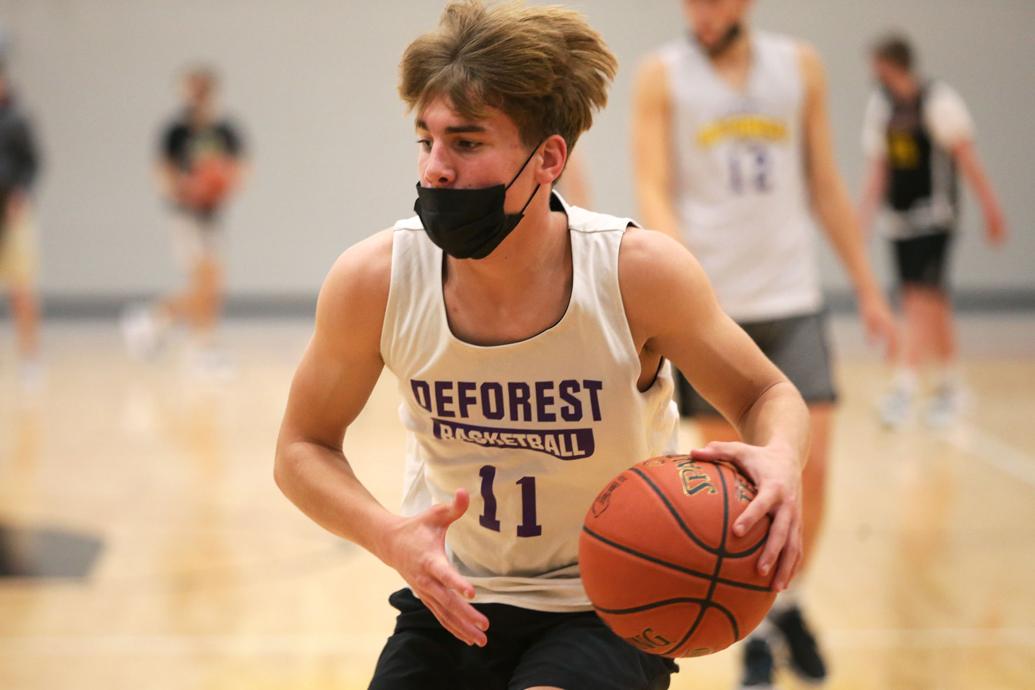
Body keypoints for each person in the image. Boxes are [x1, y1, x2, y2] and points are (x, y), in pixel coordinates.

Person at [275, 2, 809, 689]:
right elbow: (300, 448)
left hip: (608, 603)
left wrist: (781, 459)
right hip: (449, 598)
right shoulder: (374, 280)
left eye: (466, 144)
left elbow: (767, 392)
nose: (435, 168)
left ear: (547, 159)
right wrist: (387, 535)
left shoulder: (635, 274)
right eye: (425, 139)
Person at [632, 1, 897, 687]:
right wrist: (684, 288)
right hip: (713, 310)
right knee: (735, 488)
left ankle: (789, 607)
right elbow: (653, 189)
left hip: (792, 297)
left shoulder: (797, 66)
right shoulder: (661, 75)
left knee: (811, 469)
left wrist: (868, 288)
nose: (702, 9)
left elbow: (826, 183)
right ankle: (752, 625)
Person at [859, 33, 1006, 429]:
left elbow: (967, 158)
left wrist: (991, 210)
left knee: (917, 298)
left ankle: (905, 389)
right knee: (933, 303)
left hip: (935, 217)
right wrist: (863, 221)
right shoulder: (882, 106)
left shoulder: (938, 102)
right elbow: (879, 169)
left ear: (892, 65)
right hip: (899, 218)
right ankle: (951, 386)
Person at [121, 65, 246, 376]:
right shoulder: (176, 131)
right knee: (205, 280)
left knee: (212, 287)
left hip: (212, 216)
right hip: (185, 217)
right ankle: (203, 349)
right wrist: (184, 188)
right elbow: (161, 172)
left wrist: (218, 184)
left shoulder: (225, 130)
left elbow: (239, 169)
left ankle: (152, 319)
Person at [0, 61, 43, 391]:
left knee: (22, 288)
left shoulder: (18, 119)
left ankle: (30, 358)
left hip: (12, 211)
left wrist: (22, 194)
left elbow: (33, 164)